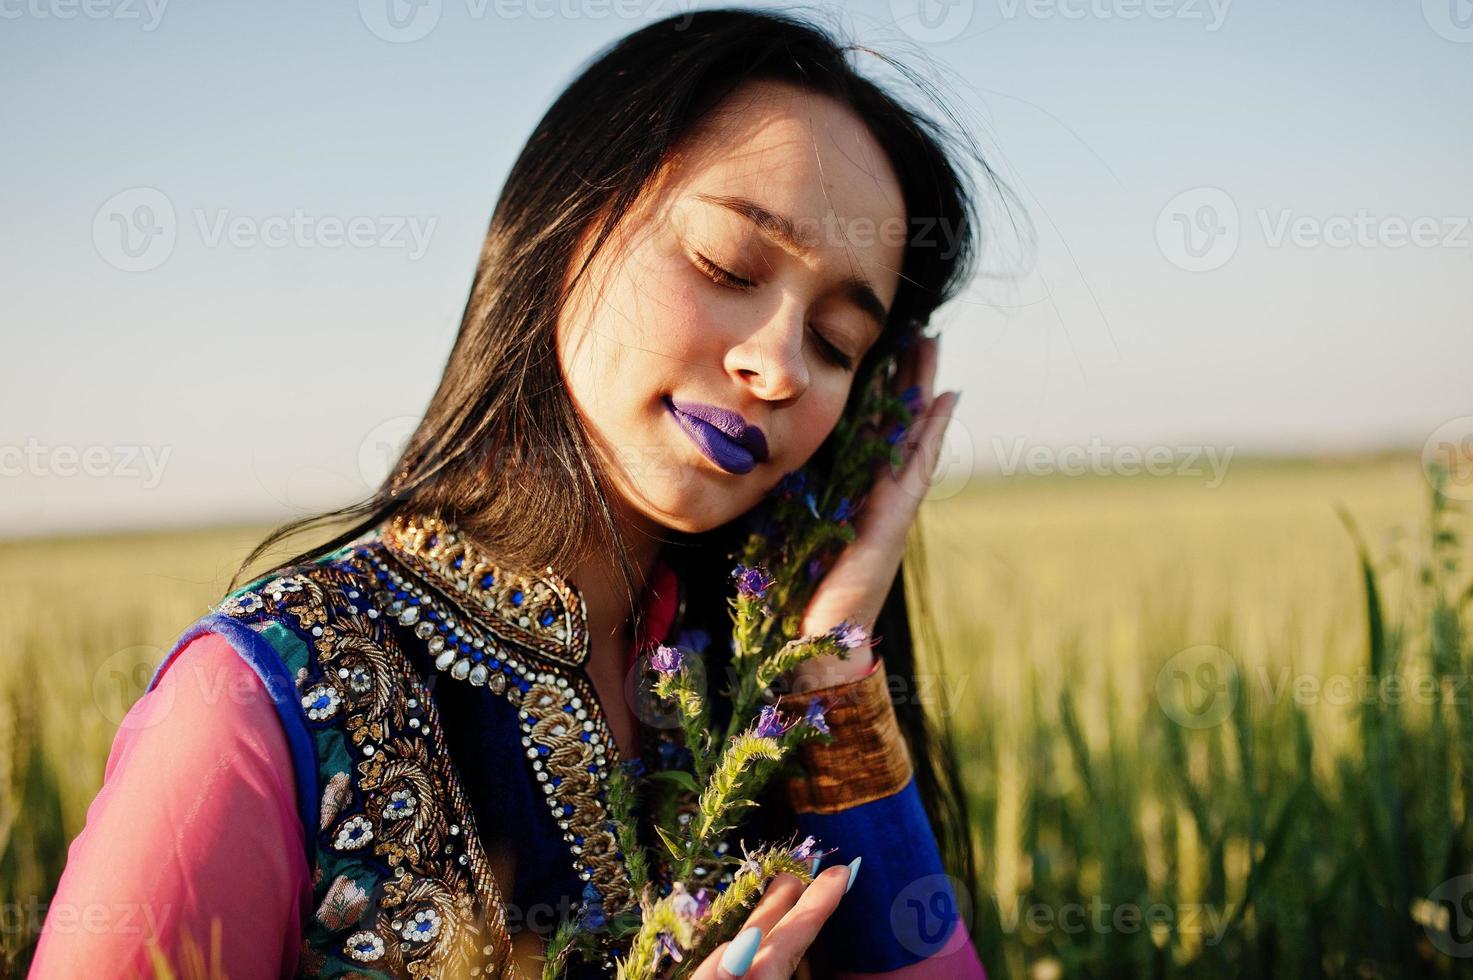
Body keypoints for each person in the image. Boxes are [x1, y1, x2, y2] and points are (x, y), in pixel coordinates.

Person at [30, 9, 999, 978]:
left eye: (835, 342)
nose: (778, 365)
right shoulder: (256, 702)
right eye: (726, 265)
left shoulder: (741, 692)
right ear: (567, 227)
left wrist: (827, 669)